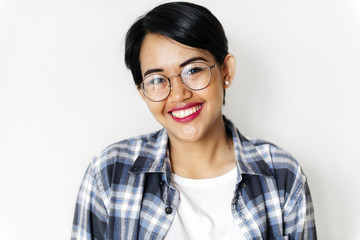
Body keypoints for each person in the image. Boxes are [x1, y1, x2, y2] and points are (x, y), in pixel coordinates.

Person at [71, 2, 316, 239]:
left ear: (226, 71)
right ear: (142, 92)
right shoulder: (109, 172)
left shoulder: (281, 175)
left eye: (193, 70)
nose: (178, 95)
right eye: (157, 79)